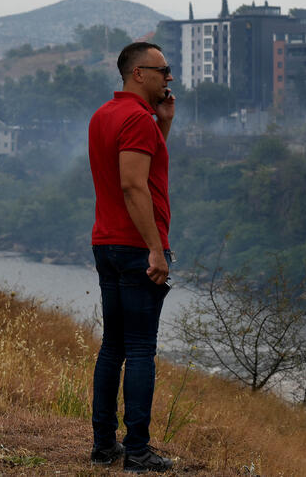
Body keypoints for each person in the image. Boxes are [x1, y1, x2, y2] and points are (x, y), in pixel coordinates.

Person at [88, 41, 176, 472]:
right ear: (138, 74)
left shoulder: (104, 115)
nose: (169, 78)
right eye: (163, 70)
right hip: (136, 246)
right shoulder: (138, 120)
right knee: (141, 349)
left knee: (113, 347)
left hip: (105, 242)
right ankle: (137, 451)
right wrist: (155, 250)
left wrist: (164, 125)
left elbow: (142, 167)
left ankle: (104, 446)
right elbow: (133, 185)